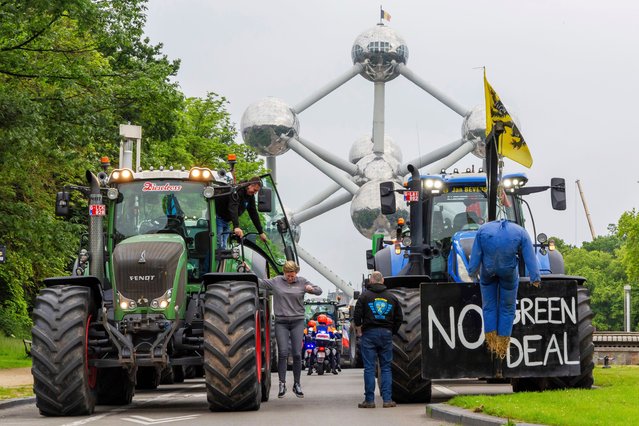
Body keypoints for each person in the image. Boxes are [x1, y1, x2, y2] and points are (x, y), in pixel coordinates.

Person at [467, 218, 541, 358]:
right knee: (507, 308)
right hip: (508, 273)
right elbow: (530, 256)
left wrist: (472, 272)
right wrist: (535, 278)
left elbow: (476, 254)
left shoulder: (482, 230)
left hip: (487, 272)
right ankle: (502, 345)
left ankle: (491, 341)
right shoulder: (520, 231)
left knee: (488, 307)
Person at [258, 261, 322, 398]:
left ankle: (297, 384)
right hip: (281, 322)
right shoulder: (276, 281)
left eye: (292, 276)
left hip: (297, 321)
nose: (290, 278)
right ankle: (282, 384)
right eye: (288, 275)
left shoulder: (302, 281)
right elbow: (260, 282)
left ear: (296, 273)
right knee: (283, 353)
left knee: (297, 354)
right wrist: (247, 271)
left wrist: (311, 289)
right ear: (284, 273)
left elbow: (319, 290)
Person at [353, 271, 403, 409]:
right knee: (386, 368)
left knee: (369, 368)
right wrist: (392, 331)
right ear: (383, 282)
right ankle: (387, 400)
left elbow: (357, 314)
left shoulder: (364, 296)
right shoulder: (392, 297)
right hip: (386, 334)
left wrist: (359, 328)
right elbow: (399, 317)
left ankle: (369, 401)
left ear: (370, 282)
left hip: (369, 334)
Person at [214, 176, 268, 248]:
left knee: (224, 248)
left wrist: (261, 232)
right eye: (254, 190)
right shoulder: (237, 191)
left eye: (256, 191)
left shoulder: (250, 196)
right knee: (218, 246)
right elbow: (233, 207)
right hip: (218, 218)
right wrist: (236, 227)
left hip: (226, 221)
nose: (254, 193)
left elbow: (253, 213)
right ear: (250, 185)